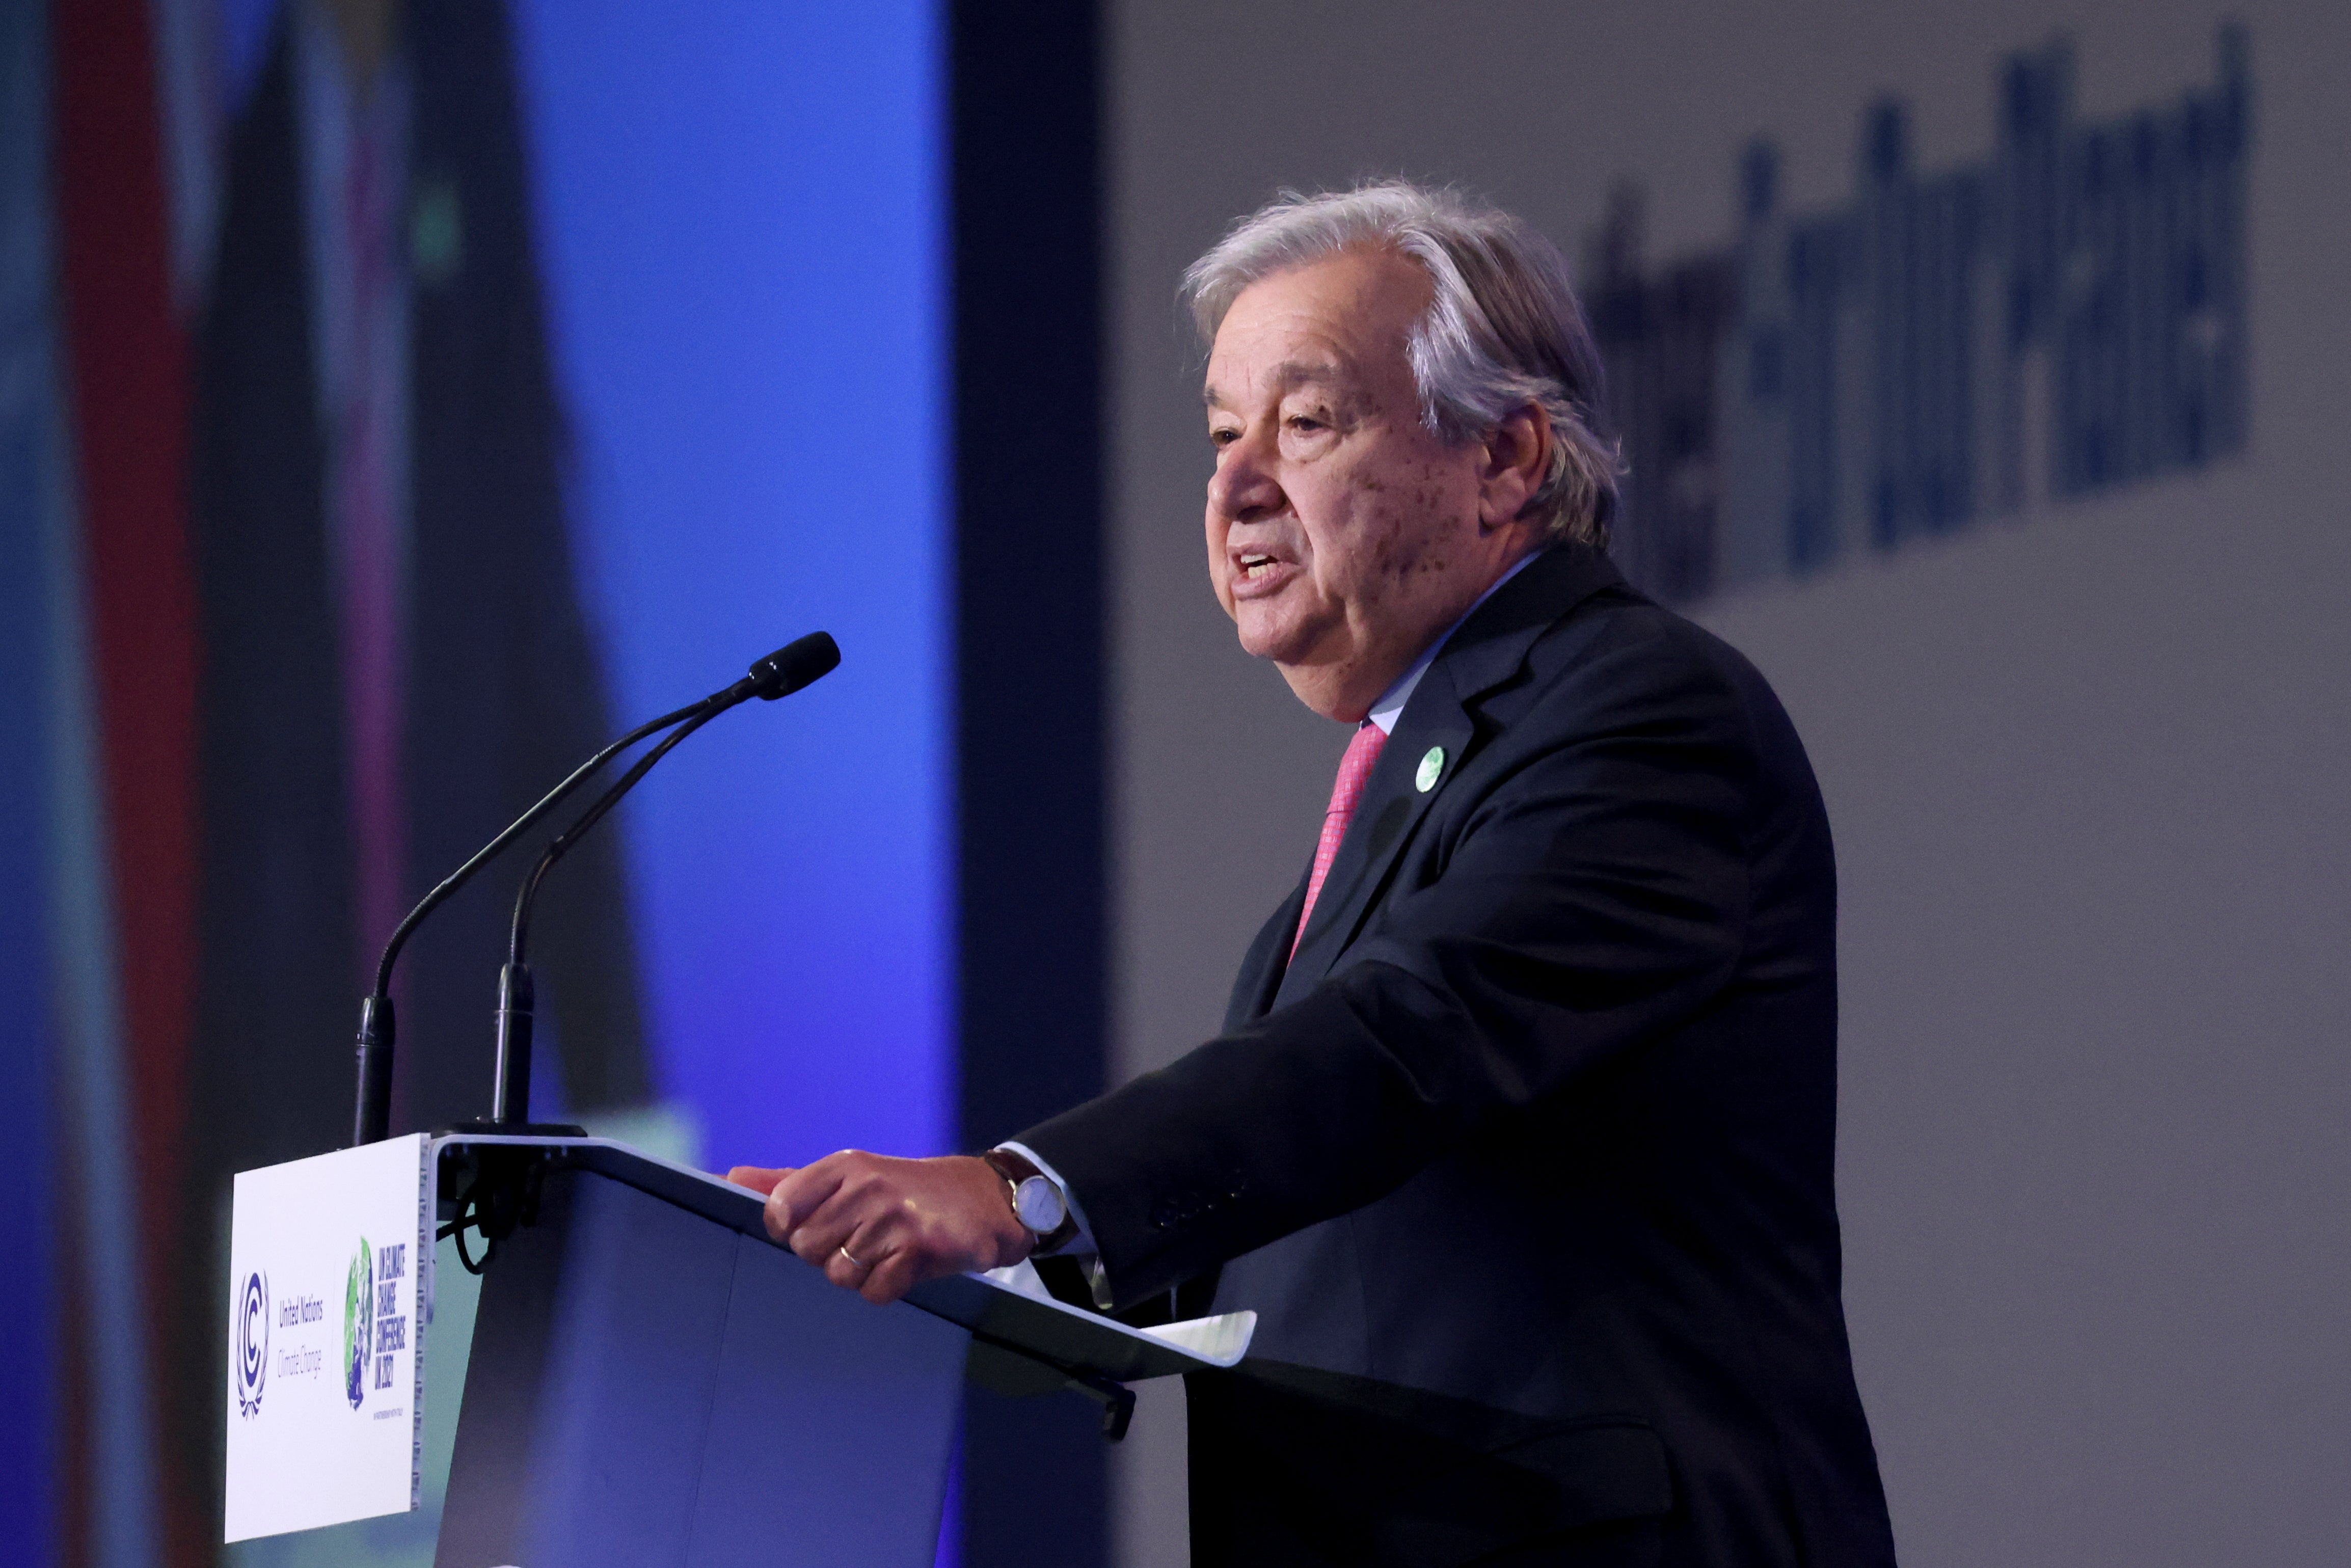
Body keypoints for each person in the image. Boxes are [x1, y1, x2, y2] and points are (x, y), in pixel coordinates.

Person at [728, 180, 1897, 1566]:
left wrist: (1017, 1190)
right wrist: (939, 1281)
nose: (1233, 489)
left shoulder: (1642, 713)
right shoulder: (1382, 822)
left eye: (1306, 423)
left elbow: (1408, 1042)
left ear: (1508, 457)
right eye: (1223, 434)